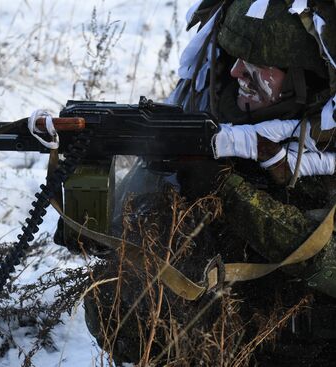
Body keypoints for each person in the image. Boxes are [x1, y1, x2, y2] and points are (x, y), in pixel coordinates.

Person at [83, 0, 336, 364]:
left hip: (308, 338)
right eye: (234, 58)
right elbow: (119, 232)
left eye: (257, 65)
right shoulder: (212, 123)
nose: (235, 73)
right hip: (222, 329)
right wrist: (94, 215)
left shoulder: (323, 147)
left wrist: (228, 192)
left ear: (305, 78)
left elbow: (326, 264)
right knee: (113, 296)